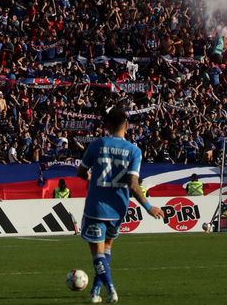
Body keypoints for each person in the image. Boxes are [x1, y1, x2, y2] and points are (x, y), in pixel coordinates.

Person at [77, 107, 162, 304]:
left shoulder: (97, 145)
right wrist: (149, 207)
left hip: (96, 207)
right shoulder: (134, 151)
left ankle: (111, 289)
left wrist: (89, 176)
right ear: (127, 126)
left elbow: (81, 172)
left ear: (107, 125)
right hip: (118, 208)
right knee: (106, 251)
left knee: (97, 254)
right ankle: (96, 292)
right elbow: (133, 184)